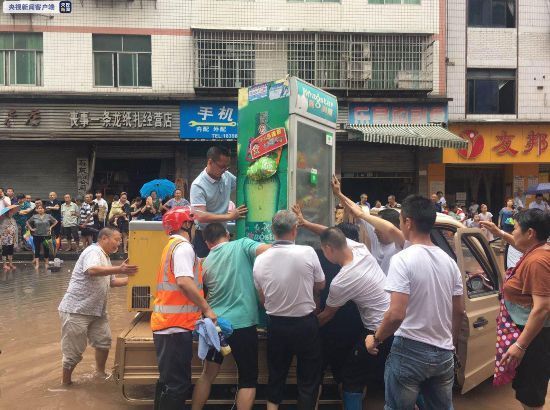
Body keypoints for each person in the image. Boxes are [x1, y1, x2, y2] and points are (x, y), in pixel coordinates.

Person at [366, 195, 464, 410]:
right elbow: (458, 311)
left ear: (408, 222)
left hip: (409, 350)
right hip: (443, 351)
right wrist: (451, 343)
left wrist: (376, 338)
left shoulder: (403, 259)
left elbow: (396, 314)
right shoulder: (450, 262)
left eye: (400, 221)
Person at [192, 222, 270, 410]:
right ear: (227, 234)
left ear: (207, 242)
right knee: (248, 378)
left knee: (207, 375)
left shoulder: (205, 262)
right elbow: (269, 250)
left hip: (216, 326)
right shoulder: (242, 244)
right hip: (243, 324)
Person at [253, 210, 325, 410]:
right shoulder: (308, 252)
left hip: (276, 325)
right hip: (305, 325)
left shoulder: (260, 260)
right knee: (308, 381)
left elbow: (262, 297)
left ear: (272, 231)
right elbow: (320, 284)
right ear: (295, 230)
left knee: (275, 377)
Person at [481, 210, 549, 410]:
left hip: (535, 338)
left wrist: (520, 346)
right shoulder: (536, 249)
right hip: (530, 335)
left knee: (530, 396)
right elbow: (517, 242)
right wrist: (499, 233)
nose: (513, 231)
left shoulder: (537, 261)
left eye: (516, 228)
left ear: (530, 233)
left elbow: (543, 307)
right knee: (525, 390)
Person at [151, 207, 216, 410]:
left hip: (168, 325)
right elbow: (184, 282)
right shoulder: (184, 247)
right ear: (186, 224)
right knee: (178, 385)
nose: (195, 228)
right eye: (193, 224)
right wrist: (207, 308)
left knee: (168, 382)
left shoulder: (171, 246)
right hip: (176, 327)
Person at [58, 228, 137, 385]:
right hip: (77, 310)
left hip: (97, 310)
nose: (119, 243)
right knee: (73, 353)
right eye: (117, 239)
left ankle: (99, 373)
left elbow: (112, 282)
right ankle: (65, 384)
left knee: (103, 342)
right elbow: (92, 270)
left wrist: (136, 280)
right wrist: (119, 269)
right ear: (104, 238)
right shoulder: (93, 251)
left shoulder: (106, 257)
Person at [190, 146, 247, 258]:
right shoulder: (198, 185)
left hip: (222, 234)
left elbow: (242, 185)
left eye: (227, 167)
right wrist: (229, 216)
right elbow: (200, 216)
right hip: (204, 236)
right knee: (206, 270)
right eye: (222, 166)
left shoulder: (226, 176)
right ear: (210, 162)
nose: (225, 170)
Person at [26, 204, 58, 268]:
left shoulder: (48, 216)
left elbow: (56, 221)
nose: (40, 209)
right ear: (37, 210)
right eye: (39, 208)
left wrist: (51, 227)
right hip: (36, 235)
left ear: (44, 209)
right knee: (37, 249)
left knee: (46, 249)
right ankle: (37, 264)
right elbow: (27, 222)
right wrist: (31, 229)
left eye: (41, 208)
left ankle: (46, 263)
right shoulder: (34, 216)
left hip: (46, 235)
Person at [1, 206, 17, 272]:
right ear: (7, 213)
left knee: (10, 251)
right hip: (5, 238)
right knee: (5, 251)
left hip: (12, 238)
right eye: (10, 212)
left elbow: (15, 227)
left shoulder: (13, 219)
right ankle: (4, 264)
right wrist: (7, 230)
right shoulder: (3, 219)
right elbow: (2, 228)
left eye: (12, 212)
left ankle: (10, 263)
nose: (11, 213)